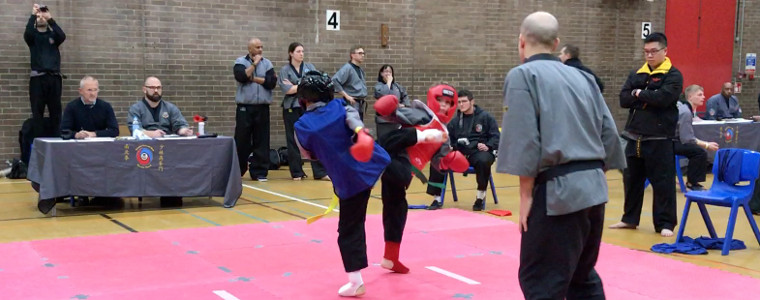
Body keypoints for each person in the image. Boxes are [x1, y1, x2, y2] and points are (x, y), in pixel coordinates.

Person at [497, 12, 625, 300]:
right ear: (555, 43)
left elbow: (523, 137)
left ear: (521, 42)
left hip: (557, 195)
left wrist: (525, 195)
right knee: (581, 277)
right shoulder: (585, 78)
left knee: (541, 280)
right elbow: (609, 134)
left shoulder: (523, 75)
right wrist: (591, 177)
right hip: (593, 189)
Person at [293, 70, 390, 297]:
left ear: (303, 98)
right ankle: (430, 142)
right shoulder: (340, 106)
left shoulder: (302, 125)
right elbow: (353, 118)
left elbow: (309, 155)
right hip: (379, 163)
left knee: (349, 229)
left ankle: (356, 283)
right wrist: (359, 132)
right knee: (396, 202)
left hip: (351, 181)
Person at [610, 32, 683, 237]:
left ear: (665, 51)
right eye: (646, 52)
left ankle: (665, 223)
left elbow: (664, 99)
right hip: (634, 136)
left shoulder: (673, 75)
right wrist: (646, 95)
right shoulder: (637, 73)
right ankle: (629, 219)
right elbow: (624, 99)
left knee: (663, 183)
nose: (649, 56)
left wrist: (640, 93)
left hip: (660, 138)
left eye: (653, 51)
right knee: (631, 180)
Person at [427, 89, 499, 211]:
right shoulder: (455, 121)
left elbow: (496, 136)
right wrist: (448, 147)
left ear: (472, 102)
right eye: (459, 102)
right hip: (459, 154)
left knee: (483, 160)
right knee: (437, 158)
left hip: (478, 152)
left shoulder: (486, 117)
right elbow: (448, 138)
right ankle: (437, 198)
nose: (461, 104)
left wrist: (488, 145)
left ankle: (480, 198)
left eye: (464, 101)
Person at [278, 42, 329, 181]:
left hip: (308, 107)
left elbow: (316, 85)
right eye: (298, 51)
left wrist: (297, 86)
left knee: (314, 137)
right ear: (291, 53)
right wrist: (304, 84)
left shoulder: (309, 68)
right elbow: (287, 90)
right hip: (291, 107)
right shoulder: (285, 70)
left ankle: (320, 172)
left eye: (302, 51)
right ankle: (297, 172)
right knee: (293, 139)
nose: (301, 54)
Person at [233, 38, 277, 181]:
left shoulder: (268, 63)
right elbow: (241, 77)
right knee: (242, 140)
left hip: (262, 107)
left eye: (261, 47)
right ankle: (238, 170)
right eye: (257, 47)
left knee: (262, 140)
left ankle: (259, 172)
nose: (260, 50)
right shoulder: (240, 62)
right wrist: (254, 64)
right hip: (245, 107)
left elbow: (271, 82)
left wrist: (254, 79)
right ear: (250, 49)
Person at [25, 3, 66, 138]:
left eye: (42, 15)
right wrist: (33, 15)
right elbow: (28, 33)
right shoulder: (33, 38)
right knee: (37, 113)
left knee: (56, 112)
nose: (40, 17)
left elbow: (62, 35)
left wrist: (49, 18)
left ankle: (57, 143)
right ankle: (38, 143)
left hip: (54, 78)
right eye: (38, 16)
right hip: (38, 79)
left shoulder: (53, 35)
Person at [675, 84, 720, 191]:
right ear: (690, 97)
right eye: (700, 95)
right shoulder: (685, 112)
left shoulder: (685, 108)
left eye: (703, 95)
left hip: (673, 140)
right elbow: (687, 139)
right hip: (670, 143)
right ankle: (692, 183)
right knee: (699, 152)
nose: (703, 97)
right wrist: (707, 145)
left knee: (697, 149)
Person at [127, 76, 193, 137]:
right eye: (152, 87)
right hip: (145, 145)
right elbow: (135, 130)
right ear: (144, 89)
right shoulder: (136, 109)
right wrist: (152, 134)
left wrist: (184, 130)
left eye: (158, 88)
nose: (156, 91)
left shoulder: (170, 108)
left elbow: (180, 124)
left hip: (168, 144)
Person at [374, 64, 411, 138]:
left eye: (390, 72)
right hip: (383, 119)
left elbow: (405, 96)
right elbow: (383, 94)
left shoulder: (397, 86)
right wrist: (388, 82)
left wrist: (404, 104)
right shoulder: (378, 86)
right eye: (386, 71)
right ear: (381, 74)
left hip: (396, 117)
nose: (388, 74)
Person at [332, 46, 368, 121]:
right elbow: (335, 80)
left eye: (363, 53)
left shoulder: (360, 69)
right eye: (360, 53)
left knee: (359, 126)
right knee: (353, 125)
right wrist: (347, 96)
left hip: (360, 102)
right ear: (352, 55)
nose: (363, 55)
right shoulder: (347, 68)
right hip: (352, 103)